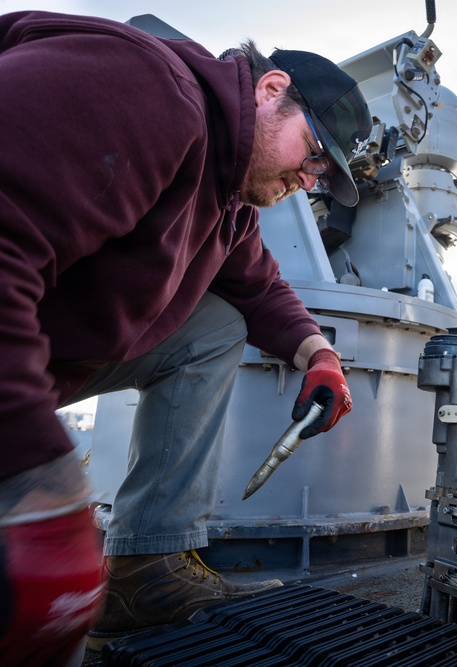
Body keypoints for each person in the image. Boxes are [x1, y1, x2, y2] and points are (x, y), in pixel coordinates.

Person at [0, 10, 371, 661]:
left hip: (33, 360)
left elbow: (258, 286)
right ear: (270, 90)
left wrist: (320, 354)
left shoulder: (226, 196)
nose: (309, 182)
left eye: (323, 177)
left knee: (214, 325)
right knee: (44, 622)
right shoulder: (148, 90)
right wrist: (41, 478)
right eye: (314, 155)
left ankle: (145, 568)